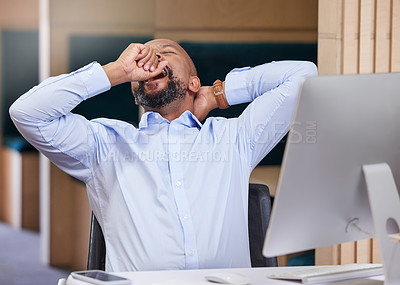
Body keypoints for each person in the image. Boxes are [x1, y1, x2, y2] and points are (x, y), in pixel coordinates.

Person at [9, 39, 317, 272]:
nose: (151, 57)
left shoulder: (235, 137)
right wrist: (117, 70)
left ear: (194, 82)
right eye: (144, 55)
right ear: (134, 89)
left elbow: (303, 75)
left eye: (165, 53)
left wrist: (218, 94)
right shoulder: (104, 144)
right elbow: (27, 114)